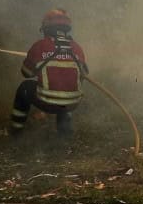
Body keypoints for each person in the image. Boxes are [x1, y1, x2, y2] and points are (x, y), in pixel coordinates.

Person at [11, 9, 88, 138]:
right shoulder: (77, 48)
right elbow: (83, 75)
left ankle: (16, 131)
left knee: (24, 87)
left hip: (47, 103)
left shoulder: (40, 46)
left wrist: (37, 63)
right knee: (66, 93)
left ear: (46, 28)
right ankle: (65, 133)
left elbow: (26, 73)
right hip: (72, 104)